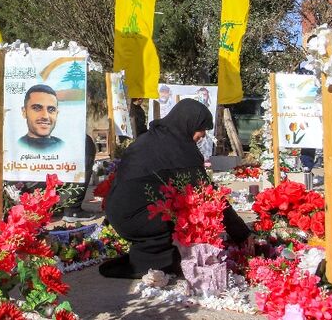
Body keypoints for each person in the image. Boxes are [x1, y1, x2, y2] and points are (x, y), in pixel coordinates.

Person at [100, 99, 250, 279]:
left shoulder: (152, 138)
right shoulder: (180, 151)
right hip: (135, 218)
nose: (203, 134)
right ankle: (151, 263)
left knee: (178, 206)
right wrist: (242, 234)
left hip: (119, 214)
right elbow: (208, 195)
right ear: (188, 124)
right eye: (201, 128)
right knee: (187, 216)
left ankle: (144, 257)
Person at [18, 84, 64, 151]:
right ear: (24, 112)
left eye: (51, 109)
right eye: (36, 108)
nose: (45, 116)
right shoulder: (15, 147)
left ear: (56, 114)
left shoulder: (65, 147)